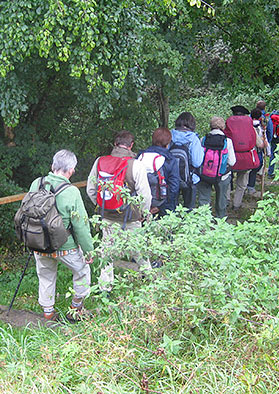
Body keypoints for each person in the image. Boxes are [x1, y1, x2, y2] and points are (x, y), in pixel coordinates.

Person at [30, 150, 95, 322]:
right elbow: (81, 225)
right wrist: (89, 251)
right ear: (71, 170)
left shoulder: (37, 183)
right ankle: (75, 309)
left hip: (39, 243)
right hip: (65, 246)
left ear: (52, 166)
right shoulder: (72, 192)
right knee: (82, 272)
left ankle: (48, 313)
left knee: (45, 276)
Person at [87, 130, 152, 292]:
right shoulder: (136, 165)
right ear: (131, 146)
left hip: (107, 216)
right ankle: (149, 280)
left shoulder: (100, 161)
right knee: (138, 250)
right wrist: (143, 213)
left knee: (107, 253)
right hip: (130, 217)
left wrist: (103, 205)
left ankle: (105, 289)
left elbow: (90, 189)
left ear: (115, 144)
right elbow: (145, 195)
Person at [196, 117, 236, 218]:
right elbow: (232, 161)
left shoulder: (203, 139)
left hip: (205, 175)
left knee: (204, 199)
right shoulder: (228, 141)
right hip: (222, 176)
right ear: (223, 127)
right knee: (221, 199)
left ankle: (203, 220)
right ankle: (220, 220)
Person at [137, 127, 180, 216]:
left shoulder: (141, 156)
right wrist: (161, 206)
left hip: (141, 204)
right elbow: (174, 186)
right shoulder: (170, 160)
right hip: (163, 205)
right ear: (168, 143)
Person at [224, 105, 260, 210]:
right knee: (242, 182)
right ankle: (237, 204)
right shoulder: (250, 124)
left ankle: (226, 199)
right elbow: (256, 141)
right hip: (246, 157)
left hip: (231, 156)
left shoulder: (229, 123)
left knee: (227, 178)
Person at [170, 112, 204, 210]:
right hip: (190, 178)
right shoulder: (193, 139)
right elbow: (197, 162)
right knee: (189, 208)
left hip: (171, 178)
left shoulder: (170, 135)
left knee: (171, 208)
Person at [247, 108, 269, 195]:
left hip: (247, 151)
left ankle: (247, 185)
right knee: (256, 167)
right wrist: (266, 146)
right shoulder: (258, 127)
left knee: (248, 170)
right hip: (256, 151)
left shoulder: (247, 125)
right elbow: (261, 142)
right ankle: (250, 186)